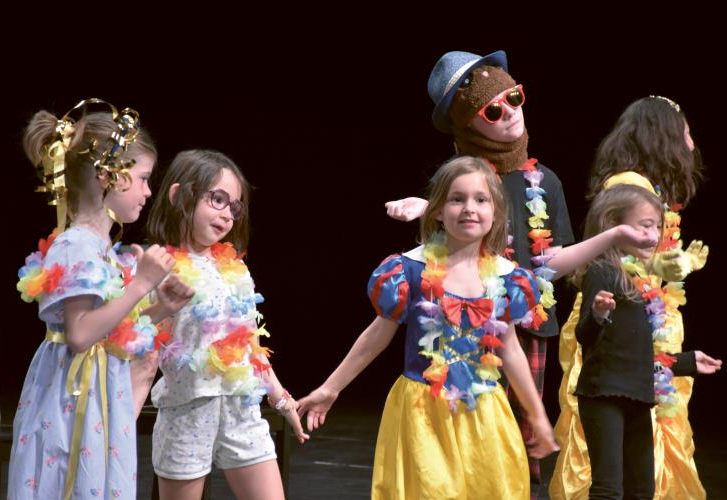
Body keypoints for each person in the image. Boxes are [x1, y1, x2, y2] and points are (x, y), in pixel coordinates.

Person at [385, 50, 658, 498]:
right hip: (466, 331)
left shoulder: (543, 181)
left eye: (514, 97)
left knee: (524, 444)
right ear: (467, 124)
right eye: (493, 110)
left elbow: (552, 263)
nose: (510, 113)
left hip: (528, 325)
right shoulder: (461, 185)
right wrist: (426, 209)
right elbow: (436, 259)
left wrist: (613, 237)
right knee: (467, 443)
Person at [299, 156, 559, 499]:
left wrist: (538, 416)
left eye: (481, 200)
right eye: (457, 199)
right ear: (436, 210)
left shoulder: (506, 278)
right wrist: (331, 388)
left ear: (495, 213)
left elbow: (509, 349)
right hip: (424, 412)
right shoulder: (410, 270)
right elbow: (376, 336)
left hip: (483, 411)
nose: (469, 208)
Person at [8, 99, 192, 500]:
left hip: (100, 392)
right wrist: (140, 285)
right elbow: (79, 334)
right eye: (142, 178)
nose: (147, 191)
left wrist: (162, 308)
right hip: (74, 397)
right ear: (109, 176)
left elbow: (111, 328)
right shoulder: (76, 245)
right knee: (72, 480)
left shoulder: (102, 248)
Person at [551, 96, 710, 500]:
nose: (691, 141)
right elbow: (615, 257)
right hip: (616, 315)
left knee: (645, 443)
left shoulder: (649, 189)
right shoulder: (628, 187)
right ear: (664, 137)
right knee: (612, 465)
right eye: (685, 131)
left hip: (644, 320)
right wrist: (669, 266)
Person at [145, 149, 308, 500]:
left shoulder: (234, 269)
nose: (226, 214)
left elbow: (250, 343)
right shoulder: (157, 264)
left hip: (241, 408)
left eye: (234, 207)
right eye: (217, 199)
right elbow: (134, 338)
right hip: (186, 411)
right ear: (179, 196)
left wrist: (281, 399)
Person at [569, 182, 721, 498]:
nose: (653, 235)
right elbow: (585, 337)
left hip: (637, 396)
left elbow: (638, 354)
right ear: (612, 224)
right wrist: (597, 315)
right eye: (645, 225)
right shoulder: (602, 271)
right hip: (604, 395)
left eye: (657, 227)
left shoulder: (640, 281)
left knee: (642, 489)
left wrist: (688, 362)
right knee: (609, 488)